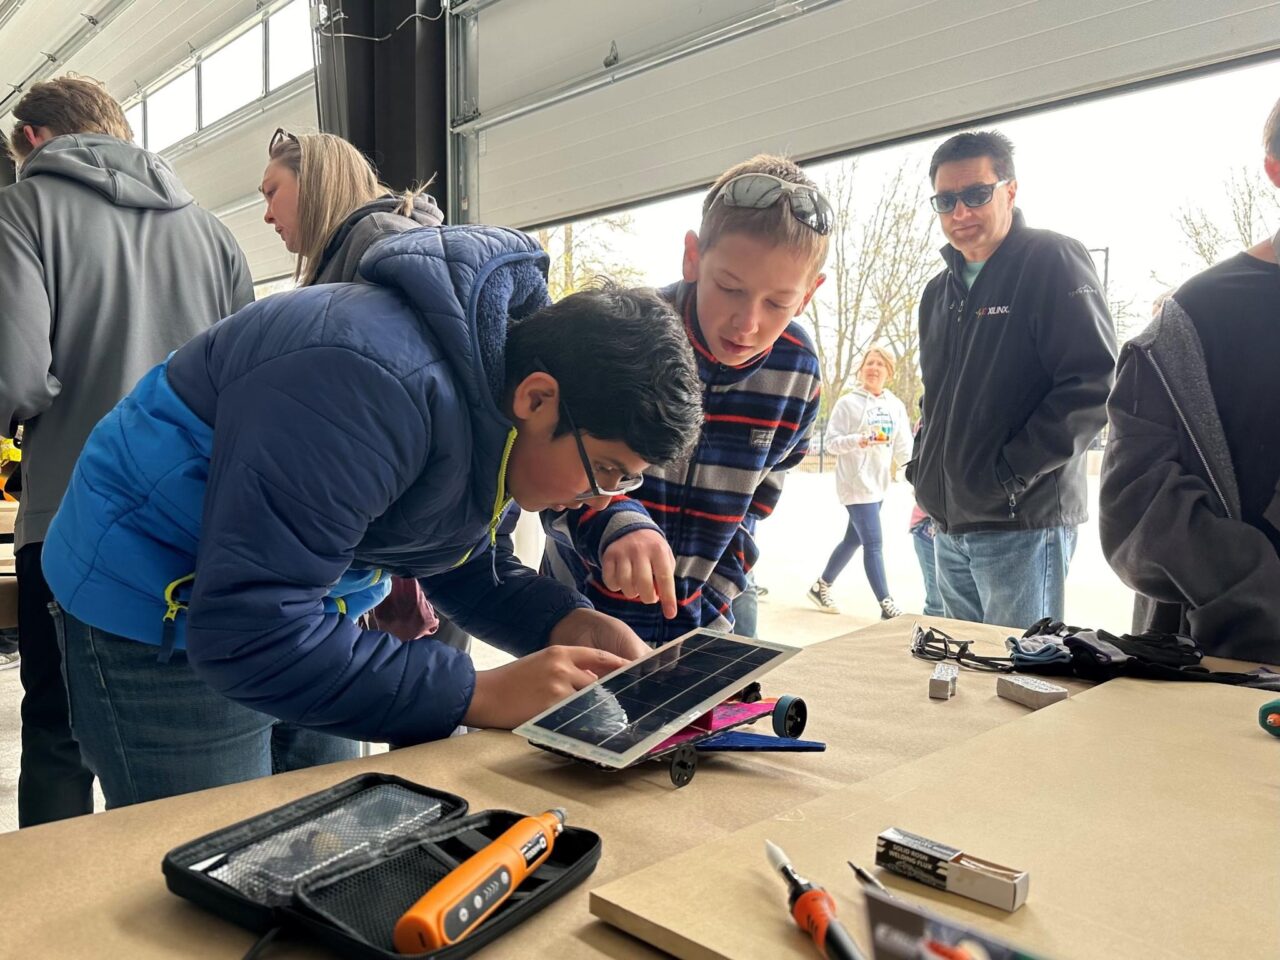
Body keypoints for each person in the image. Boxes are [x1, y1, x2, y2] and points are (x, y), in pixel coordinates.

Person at [41, 229, 703, 807]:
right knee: (218, 855)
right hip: (155, 594)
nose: (600, 499)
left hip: (298, 602)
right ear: (539, 397)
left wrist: (564, 620)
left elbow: (456, 554)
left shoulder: (495, 398)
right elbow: (249, 633)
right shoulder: (368, 384)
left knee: (321, 832)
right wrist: (479, 692)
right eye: (607, 471)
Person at [0, 77, 252, 826]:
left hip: (73, 520)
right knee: (190, 737)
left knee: (58, 730)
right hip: (196, 527)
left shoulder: (25, 209)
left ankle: (57, 926)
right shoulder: (213, 231)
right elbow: (249, 385)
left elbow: (15, 380)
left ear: (35, 140)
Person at [542, 154, 829, 643]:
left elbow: (759, 503)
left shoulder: (799, 373)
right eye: (729, 288)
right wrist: (615, 521)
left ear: (807, 295)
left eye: (778, 303)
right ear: (692, 256)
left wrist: (719, 590)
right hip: (579, 617)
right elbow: (548, 468)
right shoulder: (622, 333)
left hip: (702, 628)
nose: (748, 323)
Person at [259, 128, 465, 650]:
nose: (266, 214)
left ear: (318, 182)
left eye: (271, 191)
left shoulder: (379, 243)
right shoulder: (364, 246)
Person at [908, 130, 1116, 629]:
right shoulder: (939, 292)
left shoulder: (1052, 261)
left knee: (1022, 679)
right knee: (970, 677)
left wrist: (1011, 474)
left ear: (1011, 190)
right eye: (946, 200)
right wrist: (923, 471)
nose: (960, 213)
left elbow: (1093, 382)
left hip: (1020, 524)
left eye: (976, 194)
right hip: (949, 523)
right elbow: (936, 398)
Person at [1100, 98, 1280, 663]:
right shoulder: (1192, 321)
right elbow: (1135, 508)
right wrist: (1259, 597)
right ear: (1276, 169)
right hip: (1227, 669)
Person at [807, 347, 911, 618]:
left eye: (880, 364)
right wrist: (857, 439)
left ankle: (822, 586)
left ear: (888, 371)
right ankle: (886, 604)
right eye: (869, 363)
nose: (873, 368)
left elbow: (903, 446)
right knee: (873, 543)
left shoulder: (894, 405)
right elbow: (830, 444)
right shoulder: (847, 403)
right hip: (855, 484)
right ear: (861, 369)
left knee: (852, 540)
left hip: (878, 485)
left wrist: (911, 472)